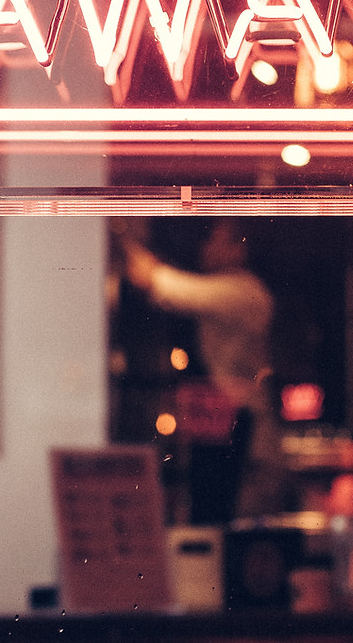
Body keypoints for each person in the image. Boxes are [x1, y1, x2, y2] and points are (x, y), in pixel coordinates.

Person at [122, 219, 286, 519]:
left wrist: (123, 233)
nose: (205, 246)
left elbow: (168, 286)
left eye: (216, 240)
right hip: (227, 426)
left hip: (244, 432)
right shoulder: (239, 291)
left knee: (228, 530)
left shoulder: (244, 293)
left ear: (239, 249)